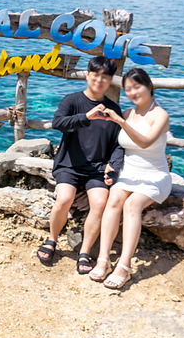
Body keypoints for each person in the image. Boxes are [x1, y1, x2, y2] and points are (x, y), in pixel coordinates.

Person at [38, 56, 124, 274]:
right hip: (69, 165)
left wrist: (112, 166)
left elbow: (118, 144)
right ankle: (52, 239)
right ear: (87, 75)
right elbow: (58, 123)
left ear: (110, 80)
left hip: (96, 169)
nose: (99, 81)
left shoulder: (113, 109)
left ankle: (84, 251)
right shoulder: (72, 101)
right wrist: (87, 116)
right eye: (95, 75)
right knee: (64, 199)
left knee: (99, 203)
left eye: (105, 77)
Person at [89, 68, 171, 289]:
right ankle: (103, 259)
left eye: (137, 86)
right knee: (114, 200)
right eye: (127, 89)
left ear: (149, 86)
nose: (133, 92)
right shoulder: (127, 113)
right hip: (128, 173)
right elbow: (117, 146)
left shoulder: (160, 115)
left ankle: (124, 266)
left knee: (132, 205)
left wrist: (121, 123)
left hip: (155, 176)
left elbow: (145, 142)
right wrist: (110, 165)